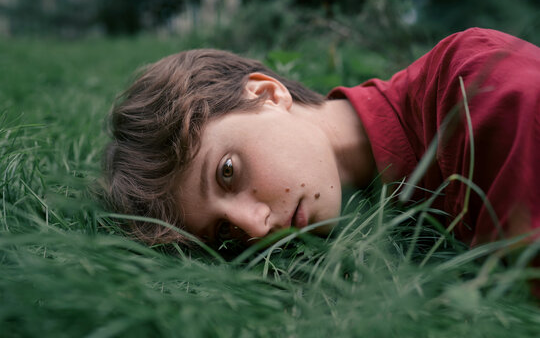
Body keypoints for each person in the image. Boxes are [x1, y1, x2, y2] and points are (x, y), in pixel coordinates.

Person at [103, 28, 540, 252]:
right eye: (224, 232)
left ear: (268, 94)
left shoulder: (478, 89)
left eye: (228, 173)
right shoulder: (389, 216)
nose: (255, 228)